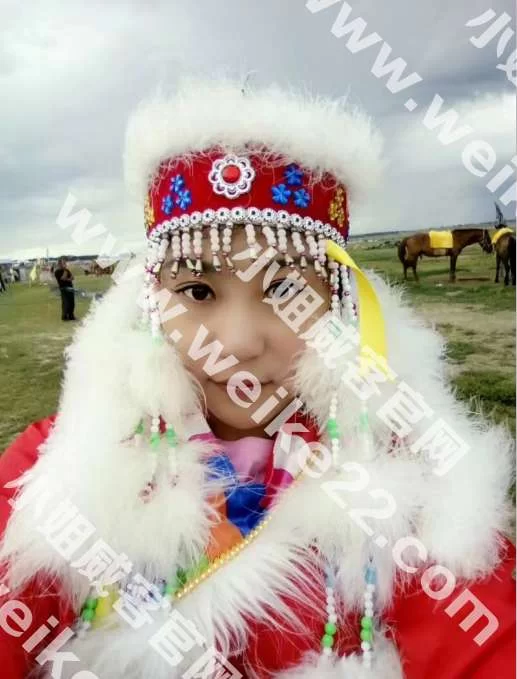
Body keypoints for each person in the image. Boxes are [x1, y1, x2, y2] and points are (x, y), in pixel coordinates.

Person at [0, 81, 514, 679]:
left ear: (339, 304)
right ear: (151, 304)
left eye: (287, 291)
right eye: (197, 290)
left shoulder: (416, 489)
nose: (238, 342)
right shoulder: (60, 465)